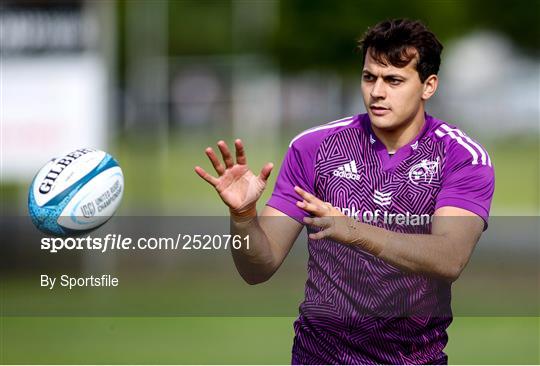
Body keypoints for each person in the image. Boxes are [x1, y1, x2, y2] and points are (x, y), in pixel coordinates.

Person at [195, 18, 494, 365]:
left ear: (428, 86)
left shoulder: (461, 156)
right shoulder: (314, 147)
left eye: (394, 80)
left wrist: (352, 230)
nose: (377, 92)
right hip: (318, 357)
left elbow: (450, 257)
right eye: (370, 77)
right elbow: (257, 269)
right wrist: (244, 218)